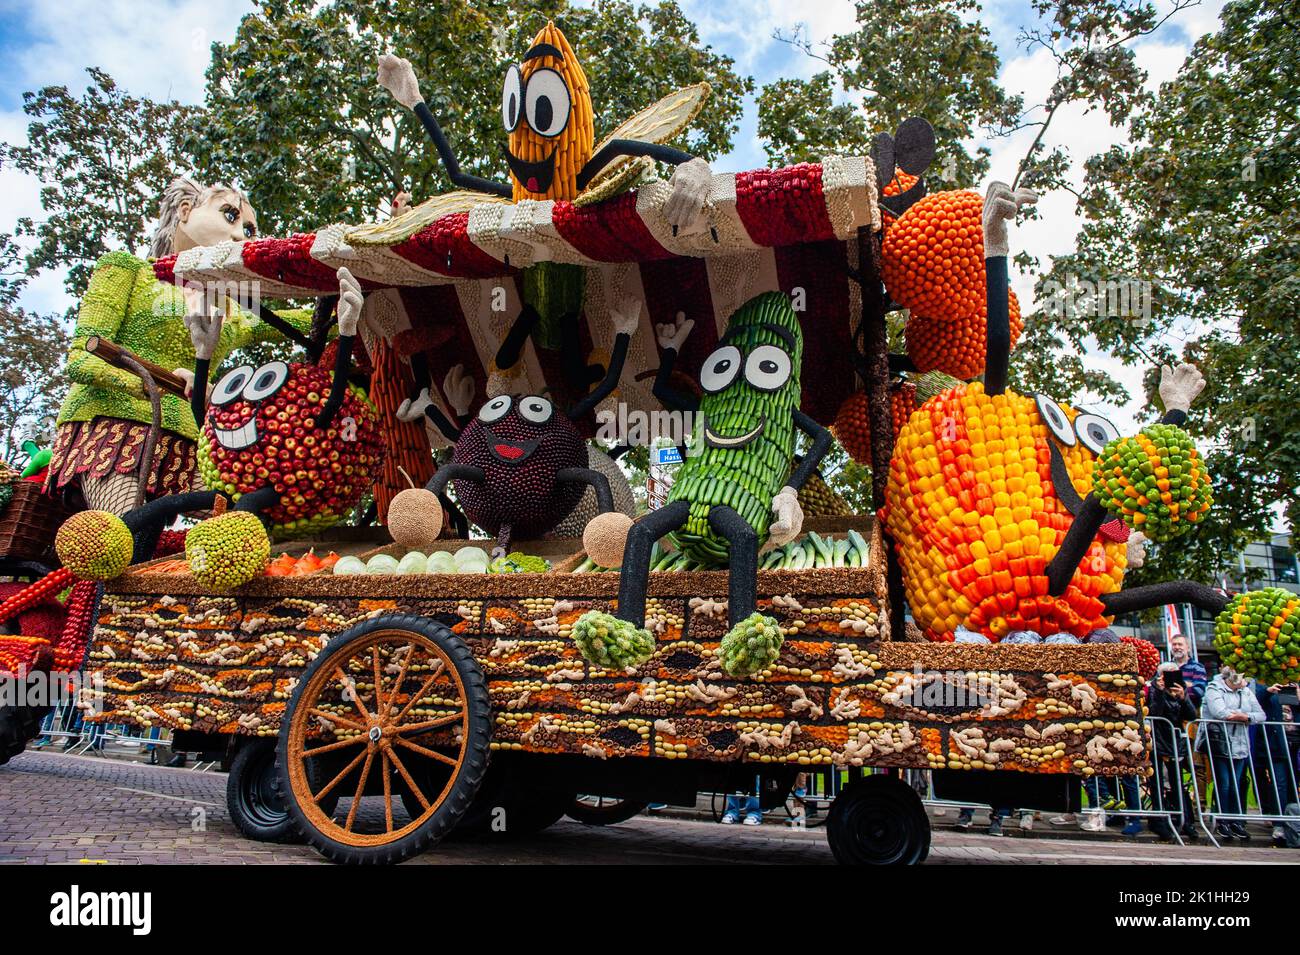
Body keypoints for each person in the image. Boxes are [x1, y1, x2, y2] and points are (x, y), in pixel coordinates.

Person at [45, 176, 312, 514]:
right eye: (230, 216)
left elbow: (304, 320)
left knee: (241, 527)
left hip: (191, 443)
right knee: (129, 532)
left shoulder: (231, 308)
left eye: (249, 230)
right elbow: (81, 357)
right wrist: (151, 382)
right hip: (115, 428)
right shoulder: (131, 271)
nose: (239, 235)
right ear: (185, 211)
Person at [1200, 665, 1266, 840]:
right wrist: (1245, 716)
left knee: (1237, 784)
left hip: (1240, 743)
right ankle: (1223, 821)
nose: (1245, 681)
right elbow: (1219, 712)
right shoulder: (1214, 688)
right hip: (1220, 742)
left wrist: (1244, 717)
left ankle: (1236, 820)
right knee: (1225, 783)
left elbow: (1260, 714)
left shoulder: (1245, 692)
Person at [1147, 662, 1198, 838]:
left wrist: (1183, 697)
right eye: (1166, 674)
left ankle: (1185, 820)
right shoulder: (1153, 689)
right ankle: (1159, 820)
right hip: (1158, 741)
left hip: (1176, 742)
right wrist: (1161, 692)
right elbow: (1154, 712)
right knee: (1157, 782)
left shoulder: (1179, 689)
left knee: (1178, 783)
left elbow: (1191, 715)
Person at [1250, 681, 1296, 845]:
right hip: (1277, 744)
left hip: (1295, 743)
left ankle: (1294, 822)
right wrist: (1269, 691)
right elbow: (1255, 702)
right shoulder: (1265, 685)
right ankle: (1279, 824)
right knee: (1279, 784)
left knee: (1293, 784)